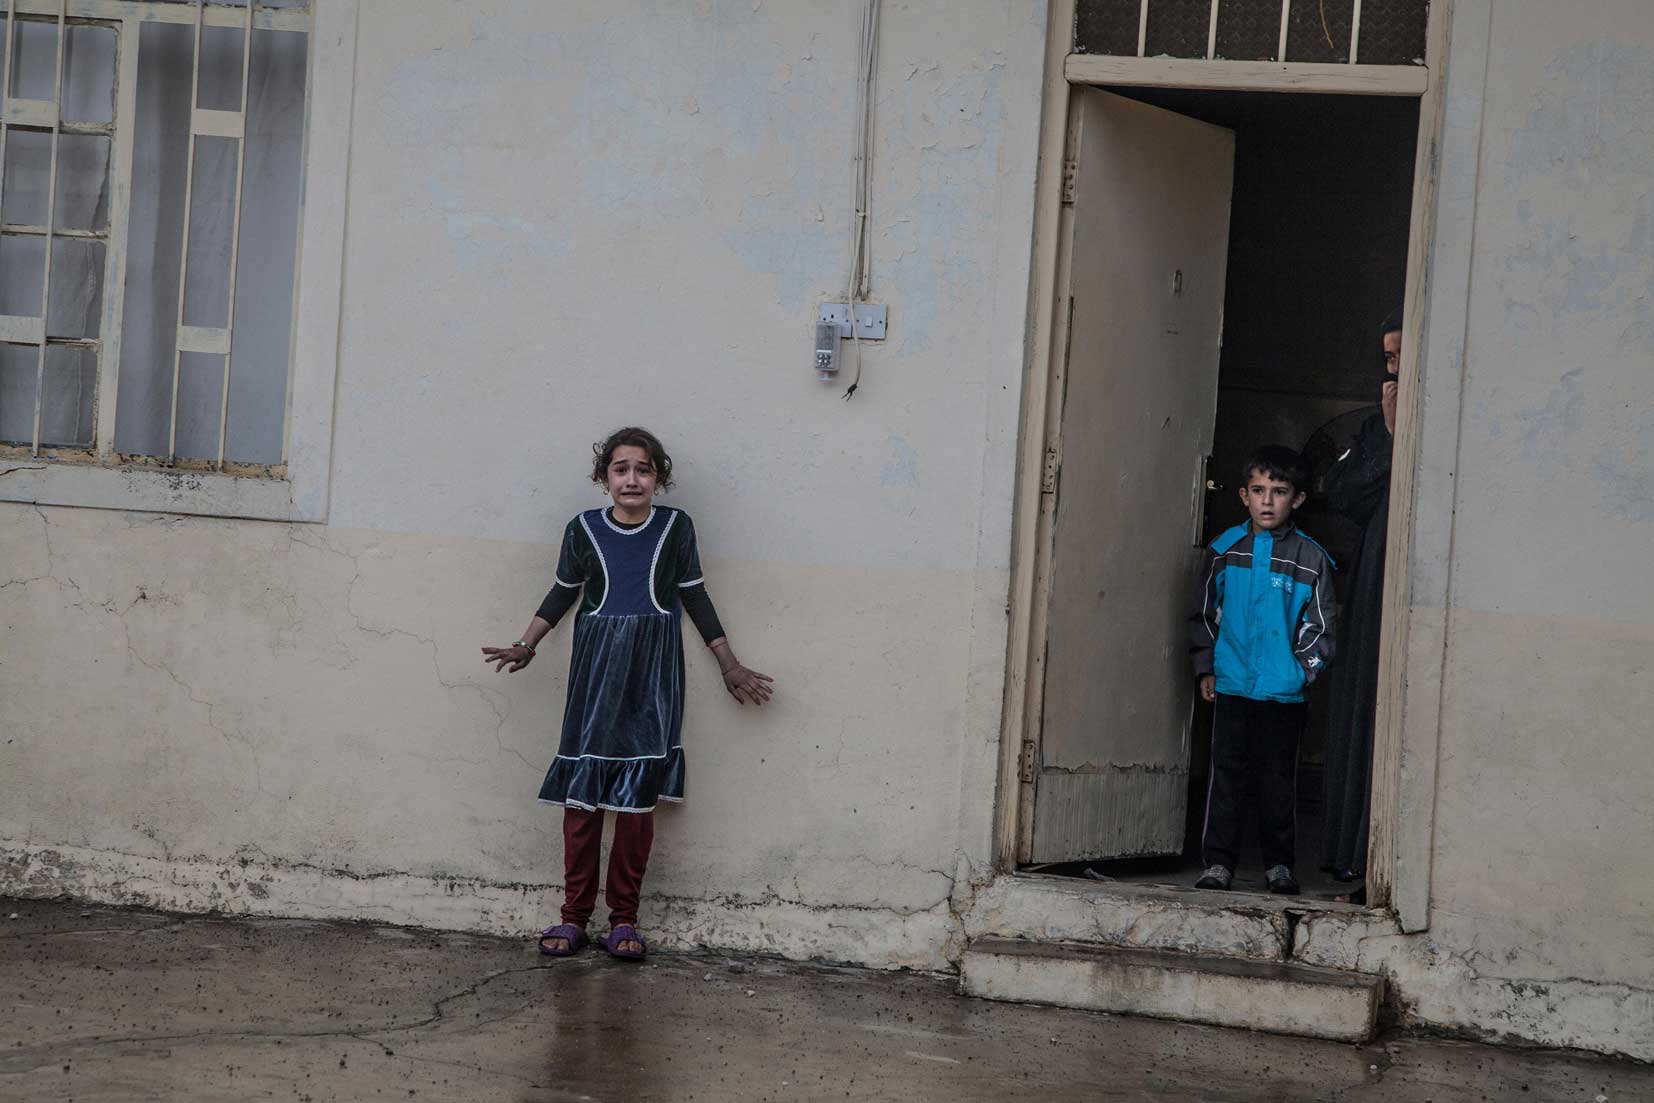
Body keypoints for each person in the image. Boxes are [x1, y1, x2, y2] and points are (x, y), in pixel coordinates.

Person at [482, 427, 774, 961]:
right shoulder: (583, 530)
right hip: (595, 671)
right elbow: (563, 592)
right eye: (620, 469)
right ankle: (572, 918)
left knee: (637, 803)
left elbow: (694, 594)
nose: (631, 479)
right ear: (604, 478)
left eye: (642, 469)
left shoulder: (675, 527)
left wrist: (728, 663)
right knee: (584, 794)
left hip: (652, 671)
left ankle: (623, 920)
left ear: (658, 477)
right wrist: (527, 643)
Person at [1188, 446, 1337, 895]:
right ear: (1243, 496)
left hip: (1283, 692)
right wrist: (1206, 668)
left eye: (1279, 491)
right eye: (1258, 490)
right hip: (1232, 684)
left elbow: (1323, 624)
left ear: (1298, 500)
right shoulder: (1223, 551)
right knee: (1227, 776)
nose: (1267, 501)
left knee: (1278, 781)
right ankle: (1218, 864)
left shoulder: (1312, 559)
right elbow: (1203, 614)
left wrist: (1302, 672)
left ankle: (1279, 865)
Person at [1320, 309, 1401, 896]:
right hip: (1376, 579)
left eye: (1402, 357)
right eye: (1389, 359)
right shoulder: (1376, 429)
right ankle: (1352, 856)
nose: (1393, 370)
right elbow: (1343, 494)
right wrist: (1393, 436)